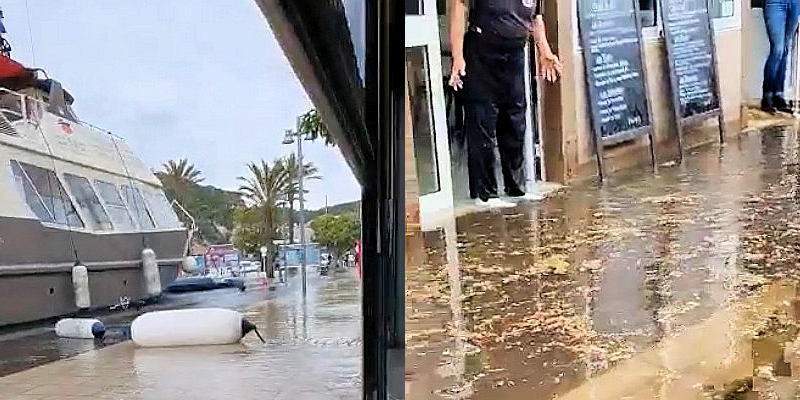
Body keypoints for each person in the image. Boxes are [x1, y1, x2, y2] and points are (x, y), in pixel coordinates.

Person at [449, 0, 562, 209]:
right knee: (483, 120)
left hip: (515, 54)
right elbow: (459, 6)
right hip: (482, 51)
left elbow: (536, 18)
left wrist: (544, 50)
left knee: (515, 119)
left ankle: (516, 188)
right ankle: (485, 194)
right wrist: (457, 56)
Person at [761, 0, 799, 113]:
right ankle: (767, 95)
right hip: (775, 3)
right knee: (778, 49)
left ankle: (778, 94)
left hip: (795, 3)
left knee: (785, 50)